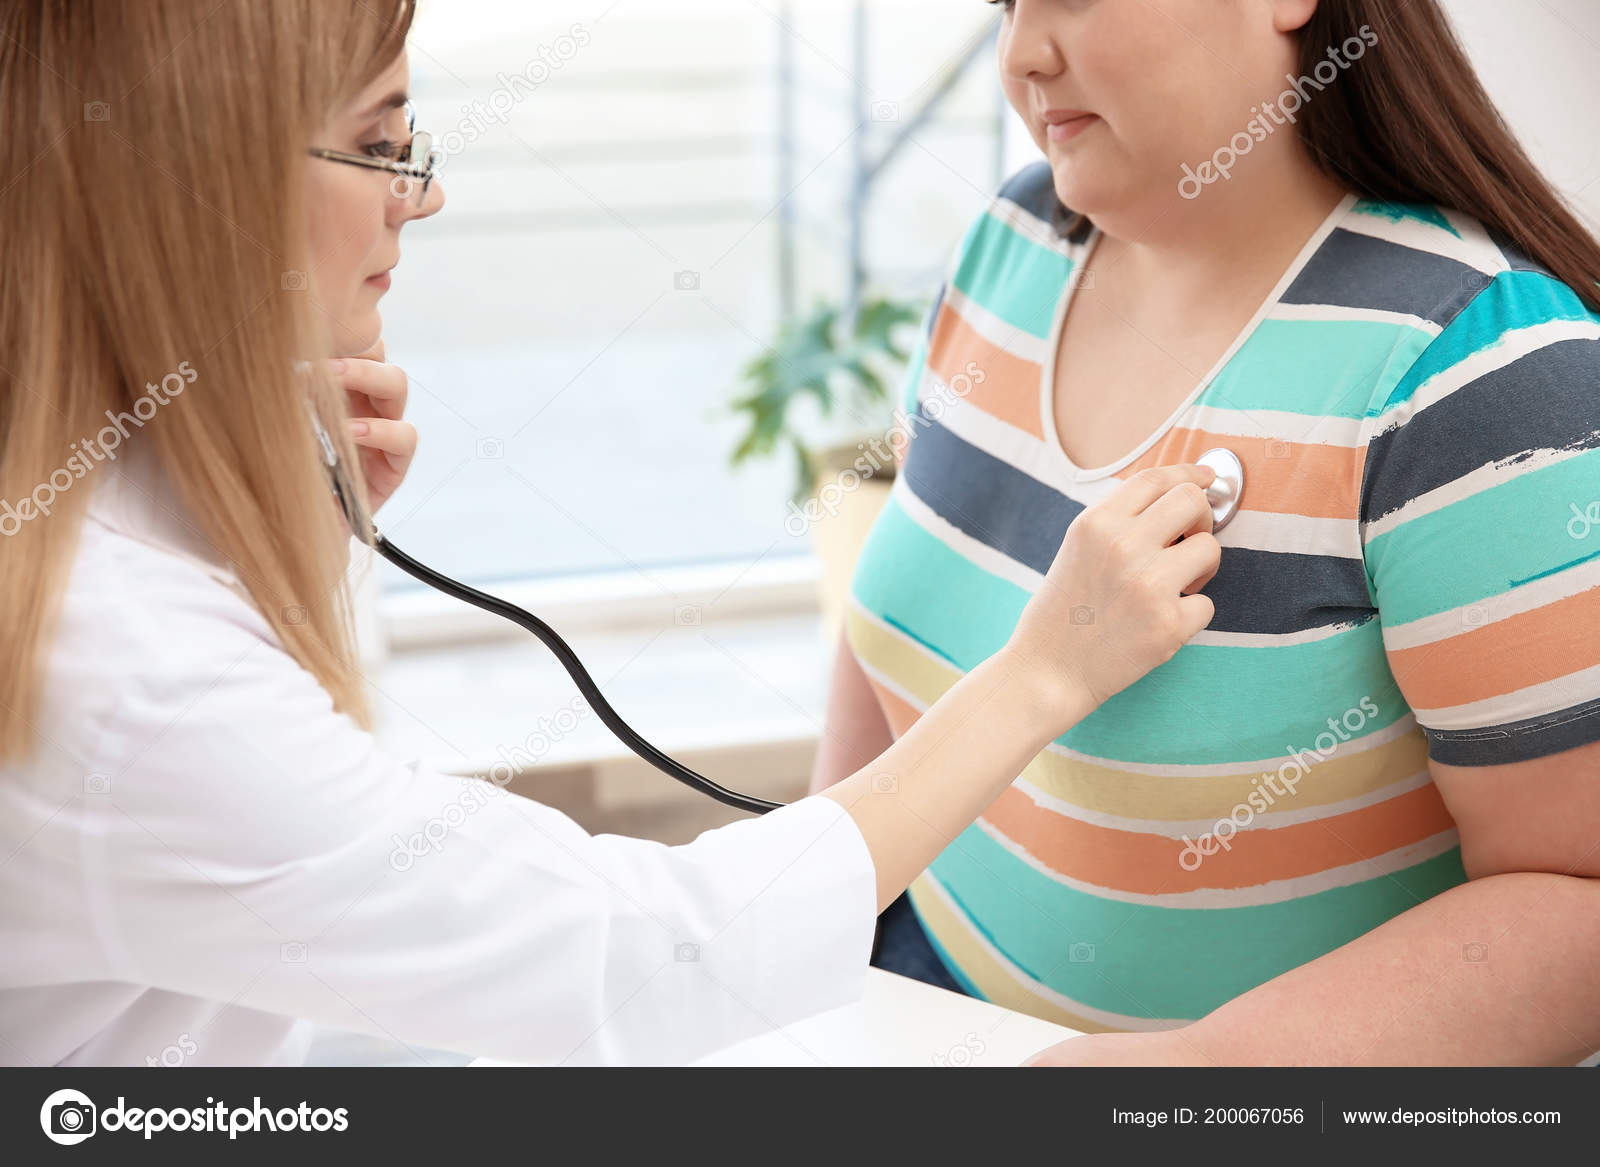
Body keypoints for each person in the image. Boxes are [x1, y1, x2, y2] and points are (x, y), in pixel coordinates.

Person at [0, 0, 1222, 1067]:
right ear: (185, 178)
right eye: (377, 145)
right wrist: (1039, 677)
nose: (420, 195)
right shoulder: (124, 676)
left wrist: (256, 538)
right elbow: (654, 965)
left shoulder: (95, 556)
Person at [811, 0, 1600, 1065]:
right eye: (1003, 5)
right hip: (907, 1005)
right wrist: (811, 917)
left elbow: (1573, 901)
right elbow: (903, 612)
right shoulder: (1013, 243)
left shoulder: (1476, 378)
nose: (1022, 56)